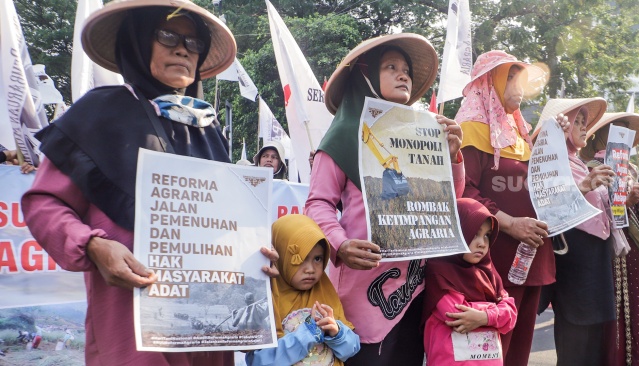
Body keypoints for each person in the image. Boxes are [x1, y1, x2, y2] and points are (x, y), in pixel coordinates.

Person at [21, 1, 277, 364]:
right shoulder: (98, 113)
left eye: (193, 43)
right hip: (130, 328)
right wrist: (93, 245)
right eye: (167, 35)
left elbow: (227, 228)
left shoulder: (209, 129)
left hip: (206, 335)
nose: (181, 49)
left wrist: (255, 258)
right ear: (137, 41)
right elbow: (43, 203)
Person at [306, 33, 464, 366]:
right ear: (364, 74)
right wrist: (340, 245)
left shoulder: (423, 135)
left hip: (416, 289)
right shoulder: (340, 137)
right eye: (390, 66)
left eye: (405, 68)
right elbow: (317, 204)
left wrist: (454, 157)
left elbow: (450, 205)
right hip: (363, 293)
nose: (403, 74)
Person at [456, 50, 570, 366]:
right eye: (513, 79)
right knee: (491, 352)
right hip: (494, 259)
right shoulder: (470, 127)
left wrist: (555, 138)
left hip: (532, 255)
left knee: (519, 351)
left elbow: (543, 182)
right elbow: (463, 192)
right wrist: (509, 224)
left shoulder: (519, 130)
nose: (522, 88)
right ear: (490, 80)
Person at [534, 97, 620, 366]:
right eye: (577, 121)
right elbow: (549, 207)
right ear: (563, 126)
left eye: (585, 122)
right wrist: (583, 187)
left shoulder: (580, 164)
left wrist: (623, 199)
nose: (584, 127)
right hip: (573, 260)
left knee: (593, 341)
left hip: (595, 260)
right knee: (576, 344)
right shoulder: (547, 161)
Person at [580, 112, 639, 366]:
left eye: (624, 131)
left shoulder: (632, 170)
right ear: (600, 135)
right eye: (615, 130)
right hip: (614, 254)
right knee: (618, 323)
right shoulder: (592, 170)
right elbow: (598, 214)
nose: (621, 136)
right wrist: (627, 199)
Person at [246, 214, 360, 366]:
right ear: (281, 258)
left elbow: (351, 349)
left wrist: (338, 333)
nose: (310, 269)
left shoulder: (325, 292)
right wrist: (307, 333)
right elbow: (259, 361)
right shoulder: (267, 300)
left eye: (318, 259)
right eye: (300, 259)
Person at [422, 198, 516, 365]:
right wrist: (494, 312)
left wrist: (484, 317)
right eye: (474, 234)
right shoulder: (439, 271)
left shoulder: (488, 272)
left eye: (487, 236)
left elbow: (511, 314)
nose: (482, 243)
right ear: (456, 232)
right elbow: (456, 314)